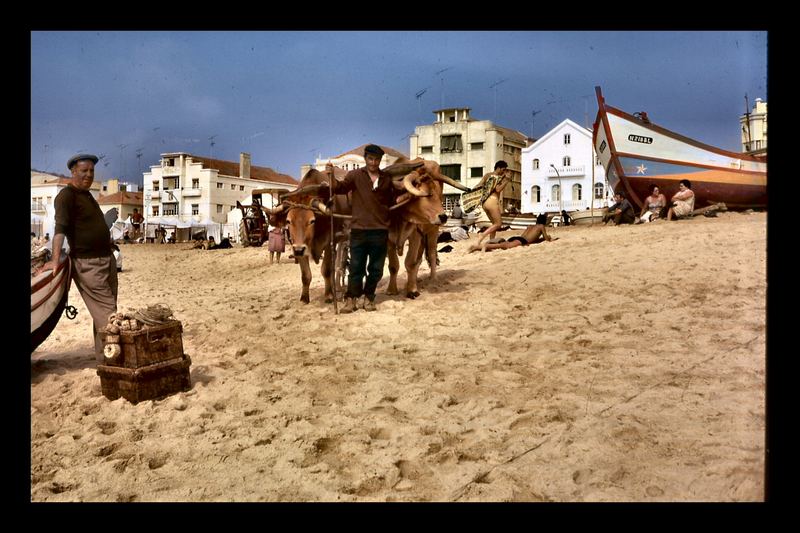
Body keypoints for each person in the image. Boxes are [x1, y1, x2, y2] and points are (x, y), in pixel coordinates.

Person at [35, 153, 118, 362]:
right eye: (84, 171)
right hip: (88, 265)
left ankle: (105, 357)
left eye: (91, 171)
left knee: (106, 313)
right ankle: (111, 361)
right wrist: (54, 261)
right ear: (73, 172)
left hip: (106, 260)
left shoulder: (87, 195)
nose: (89, 175)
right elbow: (60, 230)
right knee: (109, 315)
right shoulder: (66, 196)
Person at [323, 144, 397, 313]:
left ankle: (369, 297)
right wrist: (331, 176)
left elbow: (393, 201)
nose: (373, 162)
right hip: (359, 230)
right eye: (370, 159)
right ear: (365, 159)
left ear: (380, 160)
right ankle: (351, 299)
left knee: (376, 269)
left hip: (380, 230)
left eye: (377, 159)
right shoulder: (355, 175)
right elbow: (338, 188)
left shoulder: (386, 178)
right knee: (356, 267)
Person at [472, 160, 512, 251]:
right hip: (492, 201)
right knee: (498, 224)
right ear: (498, 168)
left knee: (494, 224)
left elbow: (479, 185)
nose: (504, 171)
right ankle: (482, 235)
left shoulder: (487, 175)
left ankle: (491, 242)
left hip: (485, 202)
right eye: (503, 169)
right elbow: (498, 190)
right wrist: (507, 181)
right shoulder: (498, 177)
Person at [469, 213, 557, 252]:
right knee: (503, 246)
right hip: (522, 241)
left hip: (517, 238)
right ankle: (485, 246)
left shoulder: (530, 226)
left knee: (504, 244)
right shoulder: (541, 226)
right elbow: (546, 239)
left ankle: (477, 247)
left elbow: (530, 237)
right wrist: (550, 238)